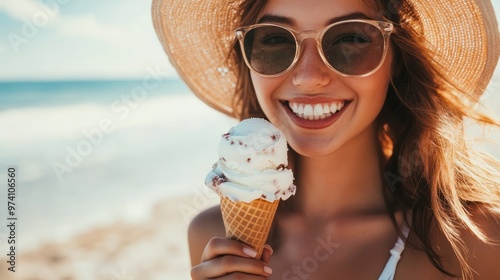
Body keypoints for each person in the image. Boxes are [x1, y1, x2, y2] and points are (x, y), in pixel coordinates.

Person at [152, 0, 500, 279]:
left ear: (396, 59)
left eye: (350, 38)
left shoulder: (478, 242)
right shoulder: (212, 237)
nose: (308, 77)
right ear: (248, 63)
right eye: (275, 40)